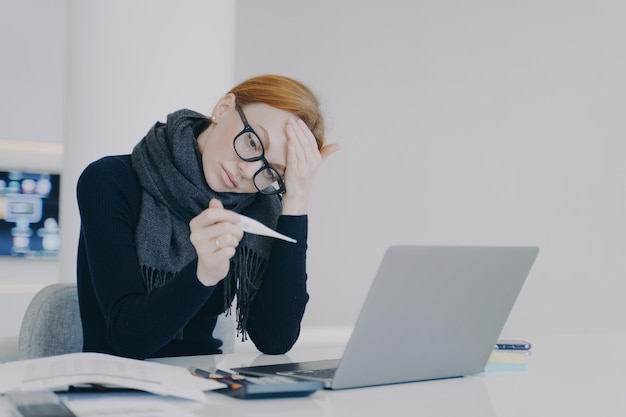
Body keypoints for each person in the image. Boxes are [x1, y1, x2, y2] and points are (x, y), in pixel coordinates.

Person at [76, 74, 340, 359]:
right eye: (252, 142)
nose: (248, 172)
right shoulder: (110, 181)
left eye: (271, 171)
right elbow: (126, 340)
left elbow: (274, 340)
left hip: (201, 386)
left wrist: (296, 201)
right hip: (114, 389)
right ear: (223, 108)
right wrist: (203, 275)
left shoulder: (258, 207)